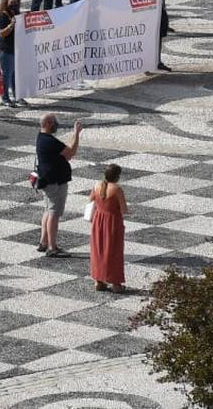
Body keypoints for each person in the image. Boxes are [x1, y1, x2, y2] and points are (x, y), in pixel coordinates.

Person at [35, 113, 81, 257]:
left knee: (48, 211)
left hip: (47, 181)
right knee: (54, 214)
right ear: (48, 123)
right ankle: (52, 247)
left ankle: (44, 242)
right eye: (55, 122)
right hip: (55, 182)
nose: (56, 125)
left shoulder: (41, 138)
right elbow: (71, 153)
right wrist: (76, 134)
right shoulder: (50, 141)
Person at [87, 164, 127, 293]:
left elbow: (90, 201)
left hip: (98, 220)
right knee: (113, 251)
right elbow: (124, 209)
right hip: (113, 221)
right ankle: (116, 284)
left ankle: (98, 280)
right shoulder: (116, 189)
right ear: (117, 176)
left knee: (98, 250)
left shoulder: (96, 186)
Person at [0, 0, 22, 107]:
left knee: (15, 76)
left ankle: (17, 96)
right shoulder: (3, 16)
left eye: (15, 2)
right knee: (6, 76)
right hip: (6, 51)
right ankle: (5, 98)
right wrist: (10, 26)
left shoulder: (17, 14)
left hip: (16, 50)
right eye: (11, 2)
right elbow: (2, 33)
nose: (14, 5)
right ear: (6, 3)